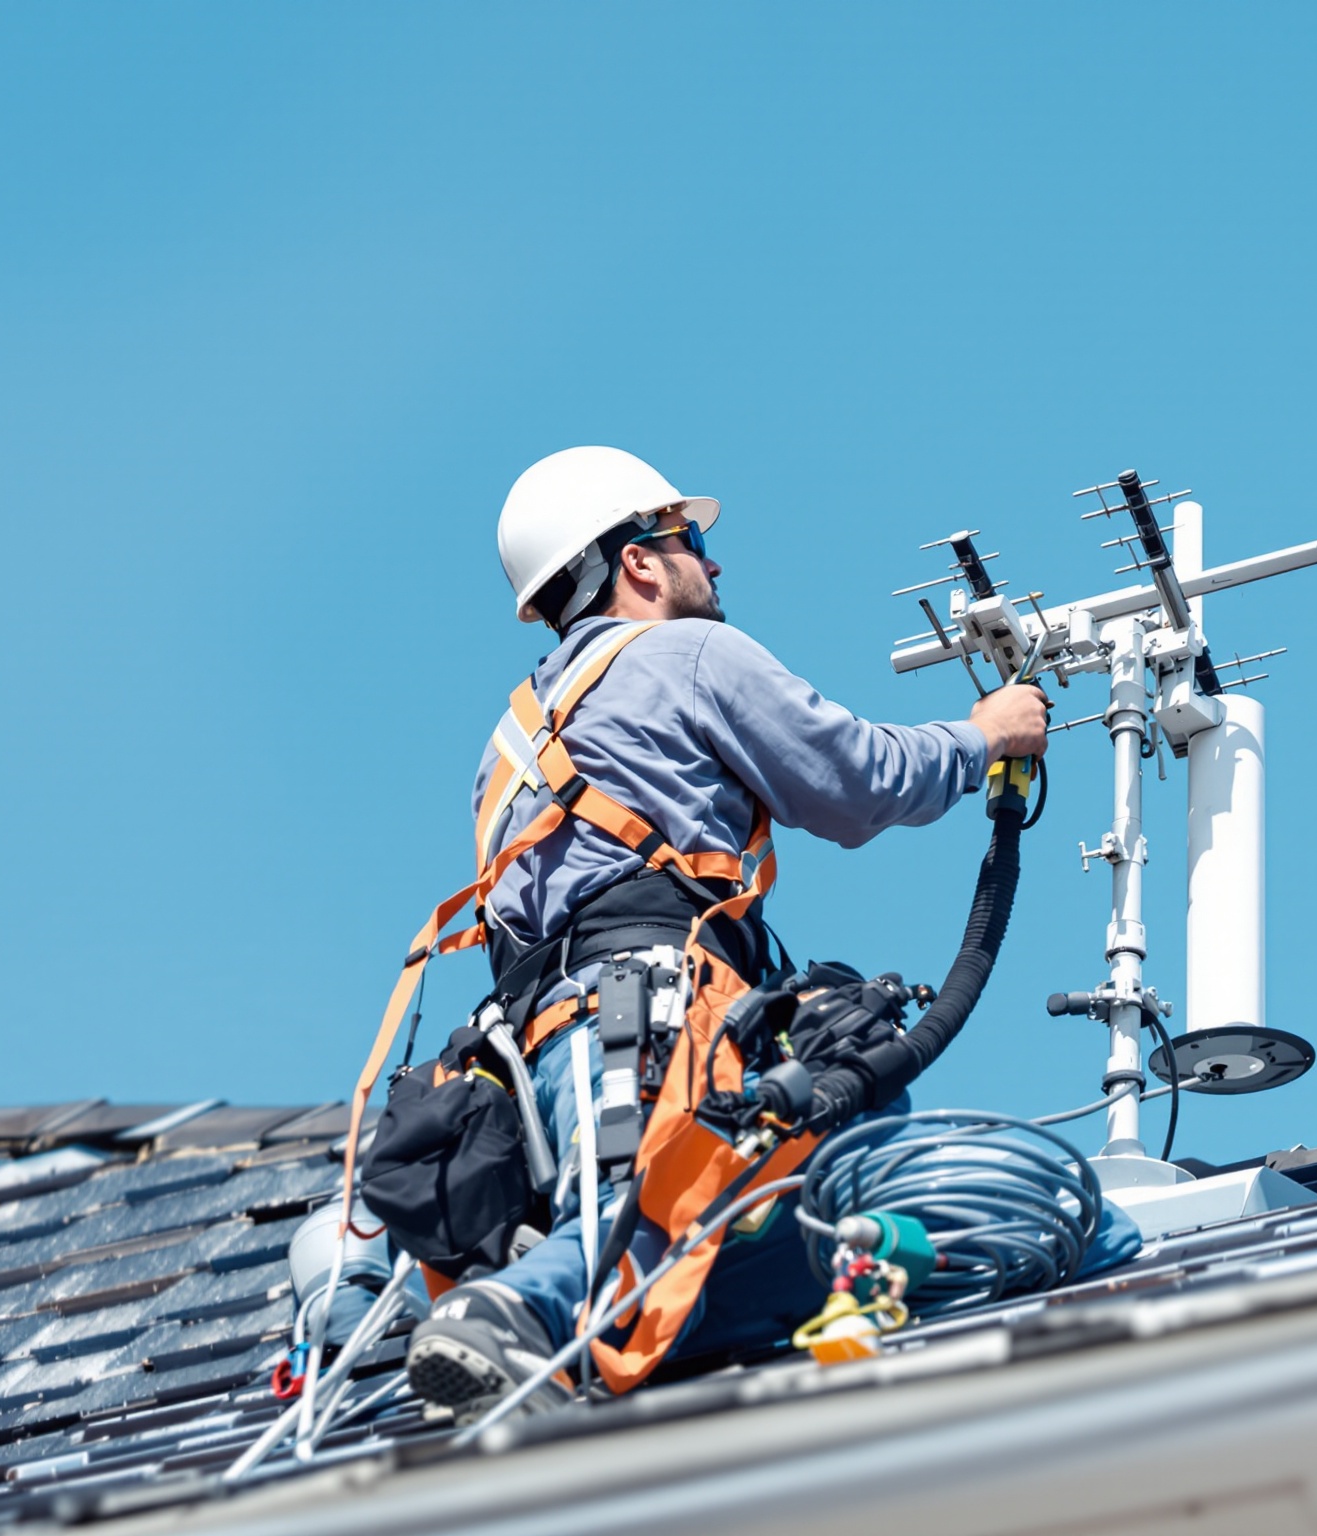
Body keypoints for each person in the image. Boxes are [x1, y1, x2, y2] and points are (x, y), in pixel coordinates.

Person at [401, 446, 1065, 1410]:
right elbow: (856, 779)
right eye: (693, 540)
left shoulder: (507, 743)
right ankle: (507, 1320)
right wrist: (986, 735)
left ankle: (540, 1355)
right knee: (656, 1212)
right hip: (646, 1016)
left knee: (703, 1228)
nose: (713, 567)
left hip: (536, 1054)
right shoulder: (688, 654)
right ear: (637, 561)